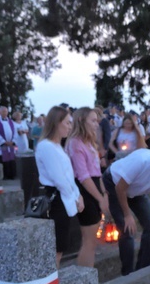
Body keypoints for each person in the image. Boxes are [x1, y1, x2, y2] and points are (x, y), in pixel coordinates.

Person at [36, 106, 84, 267]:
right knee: (56, 247)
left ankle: (52, 282)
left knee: (61, 245)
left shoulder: (57, 146)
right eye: (67, 123)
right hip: (56, 200)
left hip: (64, 198)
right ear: (57, 123)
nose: (70, 127)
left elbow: (69, 176)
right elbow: (59, 179)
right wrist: (75, 197)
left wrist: (78, 195)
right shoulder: (46, 146)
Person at [67, 107, 109, 267]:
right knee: (89, 241)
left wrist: (104, 192)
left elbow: (97, 172)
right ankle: (84, 280)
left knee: (92, 241)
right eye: (92, 120)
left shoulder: (89, 142)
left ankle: (87, 278)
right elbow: (83, 176)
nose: (97, 124)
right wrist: (100, 199)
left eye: (96, 120)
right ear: (81, 121)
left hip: (95, 187)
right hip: (86, 191)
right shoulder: (75, 143)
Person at [0, 106, 17, 179]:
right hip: (3, 145)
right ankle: (4, 175)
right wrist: (4, 142)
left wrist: (13, 141)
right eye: (3, 111)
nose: (5, 113)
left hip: (10, 144)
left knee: (11, 160)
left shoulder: (11, 121)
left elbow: (15, 132)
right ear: (0, 112)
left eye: (6, 111)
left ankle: (11, 175)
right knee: (3, 160)